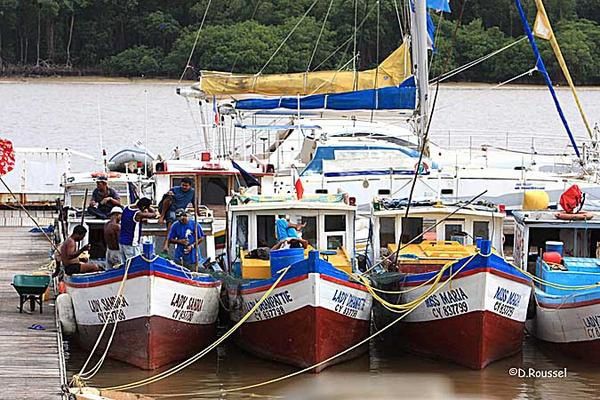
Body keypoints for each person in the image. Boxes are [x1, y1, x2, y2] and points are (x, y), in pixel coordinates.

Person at [158, 177, 195, 253]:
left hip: (181, 211)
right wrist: (162, 216)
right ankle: (166, 244)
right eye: (183, 185)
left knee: (187, 221)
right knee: (171, 219)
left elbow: (195, 203)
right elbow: (166, 200)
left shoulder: (192, 192)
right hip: (171, 209)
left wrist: (197, 212)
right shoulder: (174, 189)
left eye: (186, 186)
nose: (184, 187)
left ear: (190, 186)